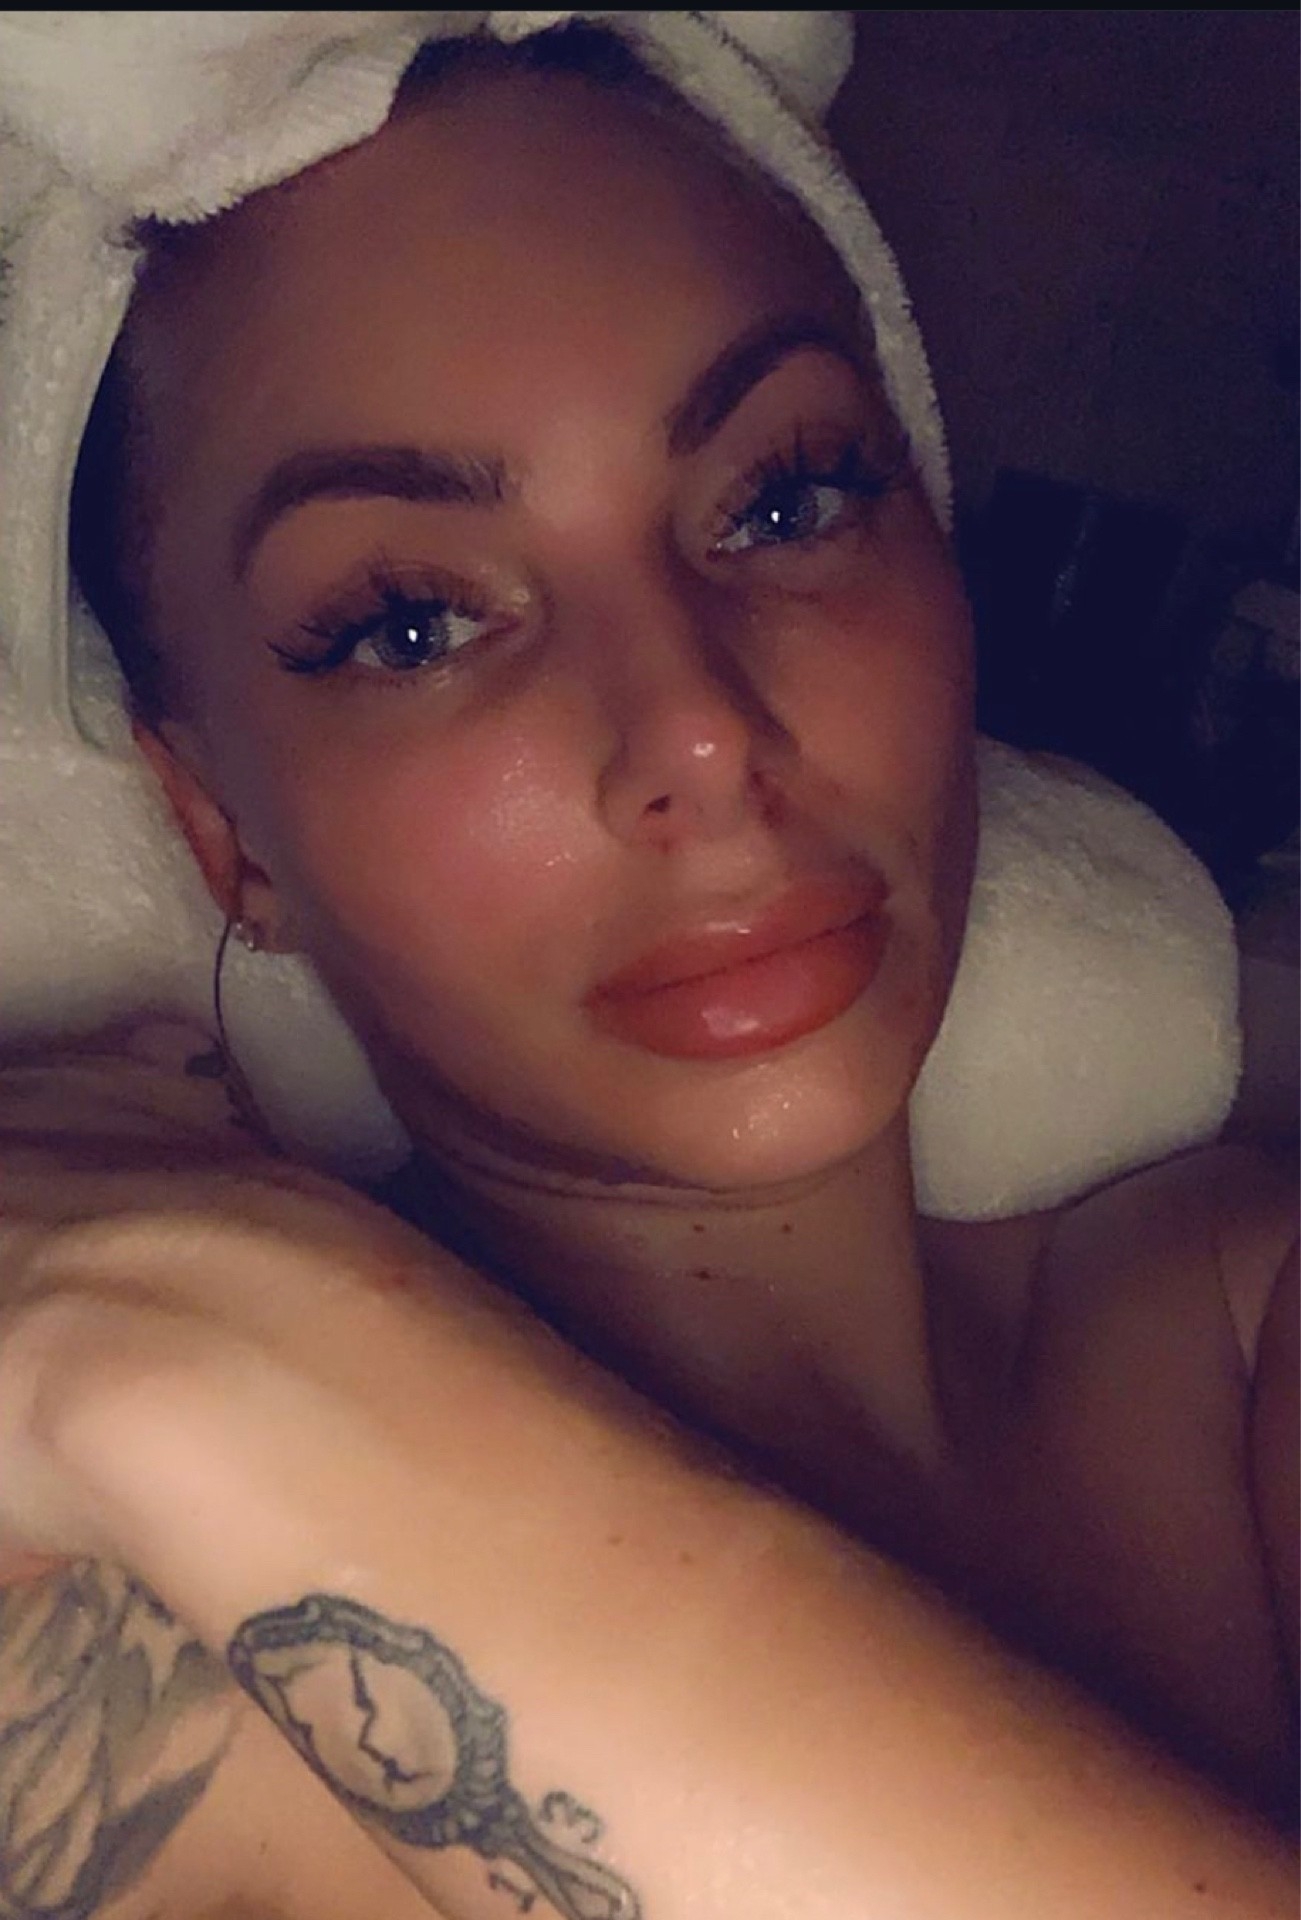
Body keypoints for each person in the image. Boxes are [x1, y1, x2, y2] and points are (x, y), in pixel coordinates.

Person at [0, 19, 1294, 1920]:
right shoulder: (80, 1651)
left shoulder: (1244, 1321)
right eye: (412, 623)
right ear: (223, 835)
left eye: (786, 499)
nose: (695, 727)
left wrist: (168, 1346)